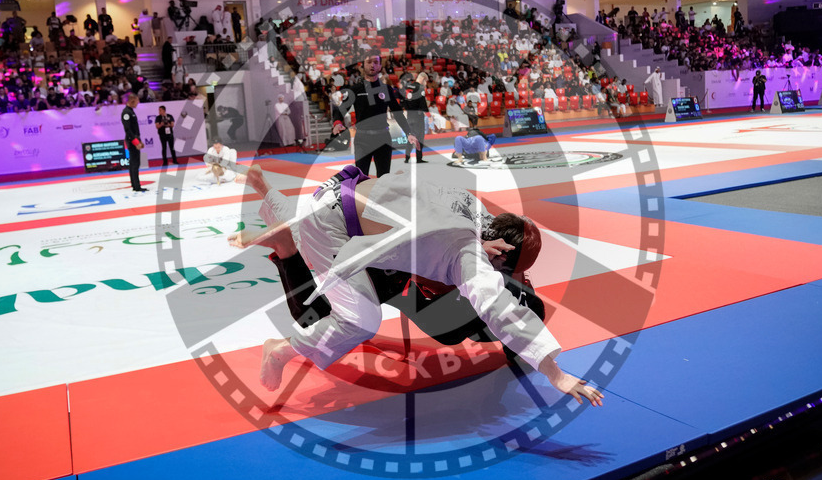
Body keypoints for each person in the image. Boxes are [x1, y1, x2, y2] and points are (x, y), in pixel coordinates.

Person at [230, 165, 604, 407]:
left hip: (338, 200)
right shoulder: (464, 249)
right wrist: (555, 373)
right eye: (515, 269)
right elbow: (495, 303)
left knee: (308, 227)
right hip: (336, 230)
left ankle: (269, 199)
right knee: (357, 319)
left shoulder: (472, 208)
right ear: (502, 256)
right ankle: (279, 349)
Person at [331, 49, 419, 177]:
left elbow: (398, 113)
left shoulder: (386, 89)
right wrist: (337, 123)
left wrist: (408, 132)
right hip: (362, 140)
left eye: (376, 62)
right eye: (369, 62)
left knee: (384, 179)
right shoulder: (355, 90)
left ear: (380, 66)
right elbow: (341, 109)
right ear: (363, 65)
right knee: (361, 178)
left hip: (383, 138)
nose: (372, 65)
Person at [401, 72, 429, 164]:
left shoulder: (408, 86)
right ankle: (419, 158)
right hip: (418, 117)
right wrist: (428, 114)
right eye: (426, 82)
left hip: (409, 116)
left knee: (410, 137)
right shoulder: (420, 88)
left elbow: (404, 101)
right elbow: (423, 103)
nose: (426, 84)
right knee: (419, 138)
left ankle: (407, 157)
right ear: (423, 79)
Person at [120, 93, 146, 192]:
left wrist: (139, 140)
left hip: (134, 139)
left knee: (134, 163)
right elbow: (128, 130)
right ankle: (136, 186)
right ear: (132, 100)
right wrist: (136, 142)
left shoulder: (131, 111)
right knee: (135, 163)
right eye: (137, 100)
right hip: (131, 141)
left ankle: (135, 185)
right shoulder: (126, 112)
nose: (138, 103)